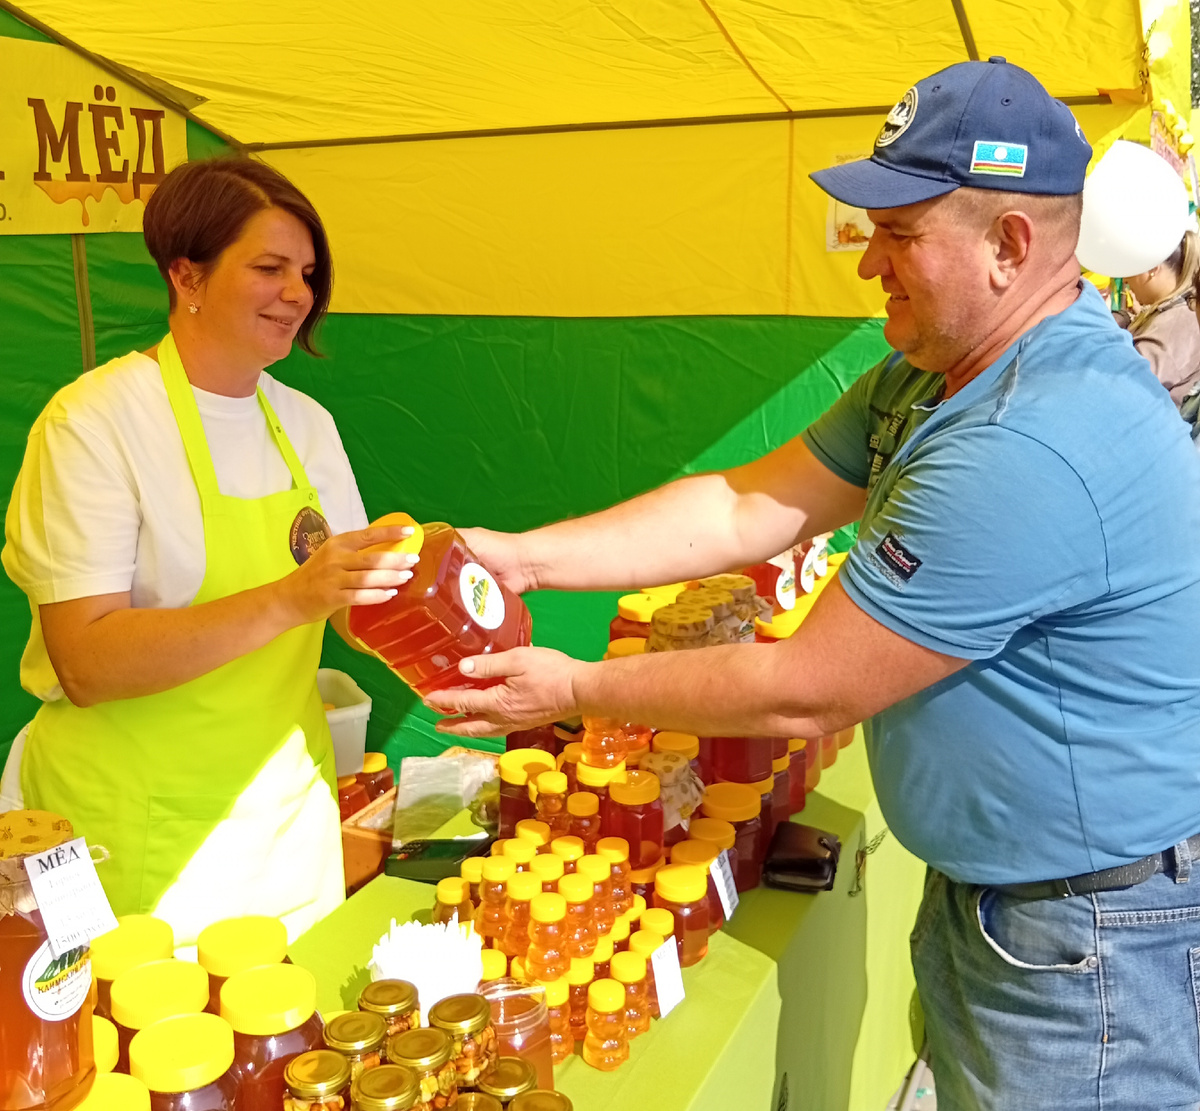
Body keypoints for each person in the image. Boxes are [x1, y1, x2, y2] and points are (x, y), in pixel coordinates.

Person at [427, 60, 1200, 1111]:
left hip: (1084, 940)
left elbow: (806, 686)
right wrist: (522, 556)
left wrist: (569, 690)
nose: (867, 262)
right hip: (1014, 903)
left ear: (1009, 246)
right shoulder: (938, 369)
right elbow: (745, 505)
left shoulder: (1032, 436)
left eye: (899, 232)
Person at [0, 158, 413, 948]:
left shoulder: (305, 424)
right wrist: (294, 595)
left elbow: (352, 604)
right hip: (132, 832)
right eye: (269, 268)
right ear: (185, 272)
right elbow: (85, 659)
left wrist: (437, 618)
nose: (298, 293)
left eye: (306, 272)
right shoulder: (95, 423)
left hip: (284, 826)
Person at [1116, 230, 1200, 408]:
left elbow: (1126, 384)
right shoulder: (1175, 314)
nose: (1126, 279)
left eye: (1131, 268)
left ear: (1152, 269)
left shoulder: (1178, 324)